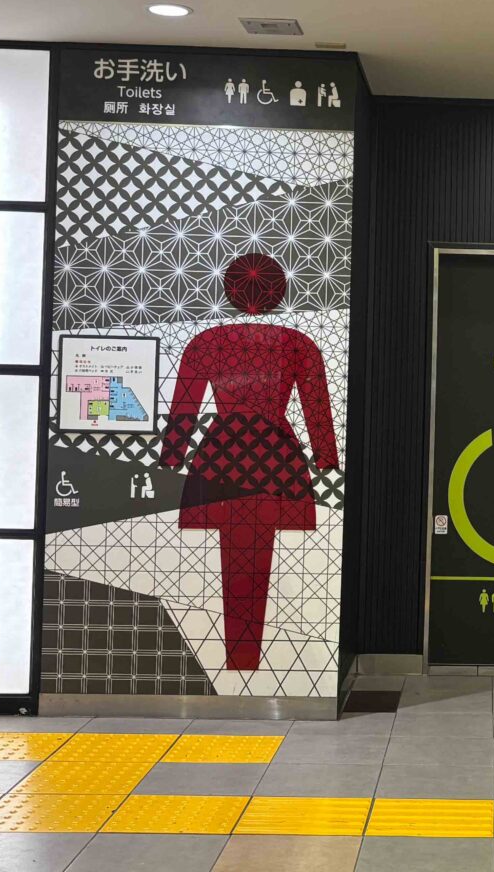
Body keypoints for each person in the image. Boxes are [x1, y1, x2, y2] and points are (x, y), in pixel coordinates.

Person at [163, 252, 338, 671]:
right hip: (276, 456)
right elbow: (316, 407)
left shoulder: (206, 342)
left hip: (221, 456)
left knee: (237, 553)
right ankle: (246, 658)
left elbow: (184, 409)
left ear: (229, 290)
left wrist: (173, 457)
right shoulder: (298, 343)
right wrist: (325, 459)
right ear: (280, 291)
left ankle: (240, 658)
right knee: (255, 553)